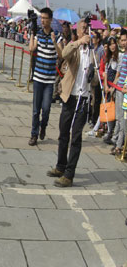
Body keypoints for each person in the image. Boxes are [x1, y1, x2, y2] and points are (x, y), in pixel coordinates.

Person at [47, 18, 95, 187]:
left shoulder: (94, 52)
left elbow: (96, 80)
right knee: (63, 132)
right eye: (83, 28)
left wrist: (93, 75)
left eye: (88, 28)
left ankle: (69, 174)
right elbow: (64, 53)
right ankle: (60, 166)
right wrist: (79, 42)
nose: (86, 30)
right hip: (70, 96)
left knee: (75, 137)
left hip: (84, 98)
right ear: (79, 31)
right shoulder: (75, 47)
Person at [28, 7, 57, 146]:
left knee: (46, 109)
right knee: (35, 110)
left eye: (45, 18)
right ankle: (34, 134)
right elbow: (31, 48)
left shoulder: (56, 35)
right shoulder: (38, 34)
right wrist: (33, 32)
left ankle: (43, 126)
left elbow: (61, 54)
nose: (43, 21)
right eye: (42, 18)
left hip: (50, 80)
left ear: (50, 20)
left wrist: (55, 41)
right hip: (38, 78)